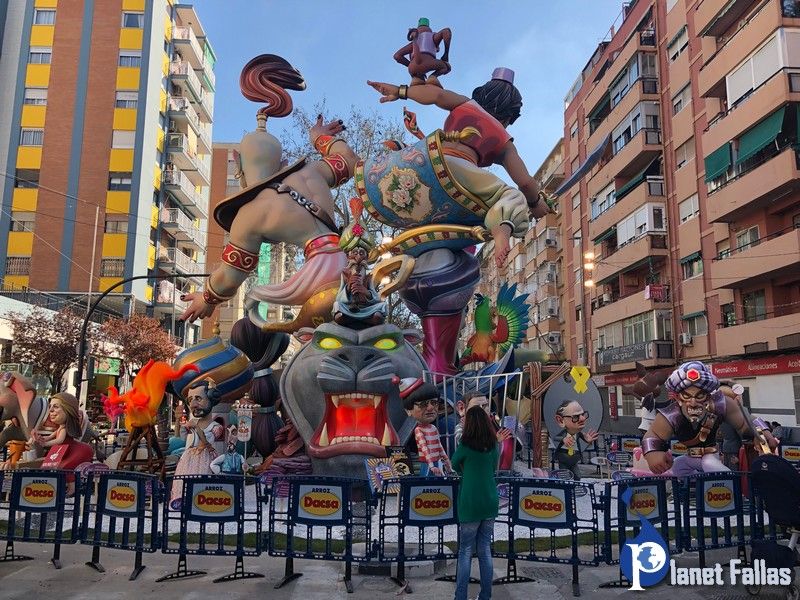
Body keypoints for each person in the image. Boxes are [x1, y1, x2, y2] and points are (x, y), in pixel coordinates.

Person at [642, 361, 778, 476]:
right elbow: (653, 435)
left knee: (710, 465)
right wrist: (653, 453)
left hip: (710, 455)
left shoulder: (721, 405)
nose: (693, 402)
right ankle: (694, 490)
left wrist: (763, 433)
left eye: (699, 396)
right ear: (678, 397)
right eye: (687, 396)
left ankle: (729, 488)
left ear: (708, 396)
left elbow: (745, 422)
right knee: (678, 467)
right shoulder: (672, 414)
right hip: (689, 457)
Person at [451, 406, 508, 600]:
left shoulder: (465, 445)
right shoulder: (493, 445)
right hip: (489, 499)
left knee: (465, 551)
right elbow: (494, 468)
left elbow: (454, 463)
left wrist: (465, 472)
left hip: (470, 501)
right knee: (484, 550)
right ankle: (485, 595)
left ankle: (461, 596)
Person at [170, 379, 226, 507]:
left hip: (204, 459)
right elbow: (180, 438)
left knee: (201, 486)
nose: (193, 404)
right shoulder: (193, 423)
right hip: (187, 459)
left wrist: (195, 427)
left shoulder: (216, 426)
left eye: (198, 399)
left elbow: (205, 443)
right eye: (190, 400)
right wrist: (178, 421)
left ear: (211, 398)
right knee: (182, 484)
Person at [400, 378, 452, 476]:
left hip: (436, 463)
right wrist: (431, 466)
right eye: (423, 404)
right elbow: (425, 449)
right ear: (408, 411)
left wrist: (446, 459)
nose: (430, 408)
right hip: (427, 464)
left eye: (434, 403)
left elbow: (439, 445)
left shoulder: (433, 428)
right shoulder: (419, 430)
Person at [552, 400, 599, 480]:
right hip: (564, 458)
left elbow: (585, 439)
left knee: (577, 476)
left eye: (583, 414)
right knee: (564, 476)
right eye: (575, 417)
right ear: (561, 420)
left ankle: (576, 486)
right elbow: (556, 438)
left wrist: (588, 440)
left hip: (574, 460)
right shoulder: (564, 433)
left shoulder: (578, 434)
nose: (582, 418)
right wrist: (563, 439)